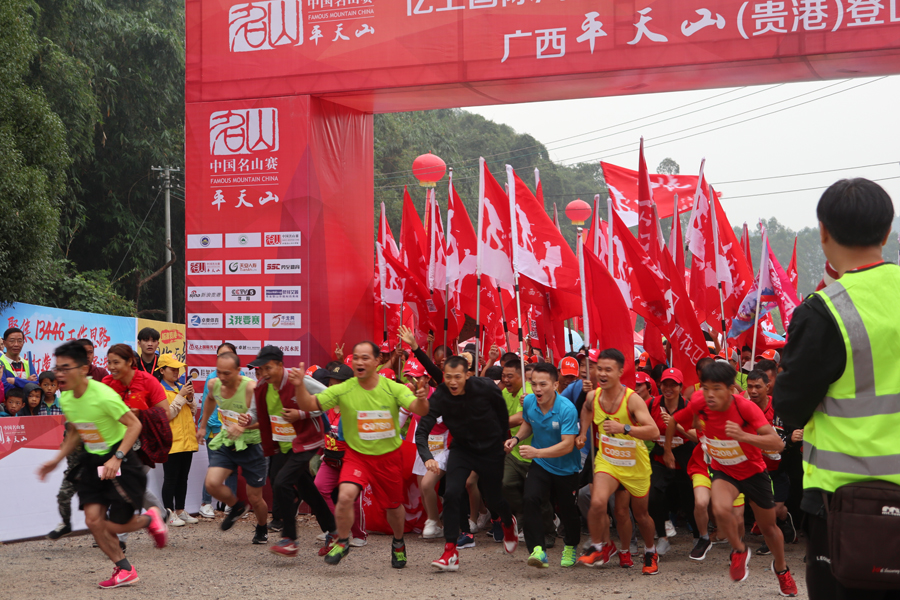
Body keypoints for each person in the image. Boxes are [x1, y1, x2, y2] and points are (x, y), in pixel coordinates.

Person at [774, 178, 900, 600]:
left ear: (823, 231)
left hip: (846, 504)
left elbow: (790, 405)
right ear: (886, 232)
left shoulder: (824, 309)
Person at [36, 341, 167, 589]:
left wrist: (116, 456)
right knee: (93, 521)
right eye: (57, 368)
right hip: (92, 460)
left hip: (121, 458)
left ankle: (152, 518)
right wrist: (55, 460)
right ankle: (125, 569)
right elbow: (76, 431)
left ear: (84, 368)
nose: (59, 374)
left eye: (66, 368)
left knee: (115, 524)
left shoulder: (103, 395)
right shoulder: (68, 400)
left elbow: (134, 425)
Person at [292, 341, 430, 568]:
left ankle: (398, 543)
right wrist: (299, 385)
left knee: (393, 508)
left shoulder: (393, 388)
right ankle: (344, 541)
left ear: (377, 361)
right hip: (357, 456)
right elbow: (309, 404)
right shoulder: (344, 389)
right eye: (356, 357)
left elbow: (419, 409)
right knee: (345, 495)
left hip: (388, 458)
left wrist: (422, 399)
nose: (359, 362)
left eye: (365, 358)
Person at [665, 361, 797, 596]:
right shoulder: (699, 402)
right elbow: (675, 420)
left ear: (730, 388)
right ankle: (738, 550)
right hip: (724, 470)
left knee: (769, 528)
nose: (710, 394)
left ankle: (782, 569)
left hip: (753, 472)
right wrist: (667, 450)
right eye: (705, 388)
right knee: (720, 507)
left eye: (716, 388)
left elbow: (777, 443)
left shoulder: (745, 408)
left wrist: (744, 436)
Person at [415, 355, 518, 572]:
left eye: (458, 377)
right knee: (452, 493)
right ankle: (450, 551)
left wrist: (500, 440)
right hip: (462, 449)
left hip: (490, 449)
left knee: (493, 498)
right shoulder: (441, 396)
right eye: (448, 377)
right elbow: (423, 429)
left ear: (468, 375)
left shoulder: (485, 388)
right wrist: (428, 458)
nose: (453, 382)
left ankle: (508, 523)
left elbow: (501, 414)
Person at [246, 345, 338, 558]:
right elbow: (254, 413)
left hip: (306, 440)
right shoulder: (262, 387)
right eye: (260, 369)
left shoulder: (299, 379)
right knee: (306, 488)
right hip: (282, 445)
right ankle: (333, 531)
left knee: (281, 482)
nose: (264, 373)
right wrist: (246, 419)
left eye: (268, 368)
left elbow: (329, 398)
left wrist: (302, 414)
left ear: (280, 365)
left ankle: (290, 538)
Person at [576, 348, 660, 574]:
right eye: (599, 369)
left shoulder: (632, 400)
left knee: (640, 515)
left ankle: (650, 551)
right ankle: (598, 547)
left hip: (634, 463)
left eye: (608, 370)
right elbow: (586, 409)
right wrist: (583, 433)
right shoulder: (593, 396)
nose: (602, 374)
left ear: (621, 372)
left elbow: (653, 431)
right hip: (608, 460)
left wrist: (624, 428)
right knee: (596, 501)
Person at [506, 363, 581, 569]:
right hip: (541, 464)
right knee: (530, 499)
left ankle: (571, 545)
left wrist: (536, 452)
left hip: (566, 468)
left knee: (568, 511)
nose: (537, 389)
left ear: (555, 384)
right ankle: (537, 549)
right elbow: (528, 423)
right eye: (533, 384)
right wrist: (516, 438)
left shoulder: (567, 409)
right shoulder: (530, 401)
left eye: (543, 384)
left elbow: (567, 445)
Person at [196, 352, 269, 544]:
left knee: (255, 498)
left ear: (239, 371)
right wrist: (203, 426)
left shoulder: (251, 388)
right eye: (219, 372)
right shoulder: (214, 384)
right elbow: (210, 399)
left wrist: (244, 425)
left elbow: (267, 420)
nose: (222, 377)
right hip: (228, 441)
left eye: (227, 373)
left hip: (252, 445)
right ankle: (236, 507)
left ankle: (262, 528)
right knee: (212, 483)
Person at [313, 361, 368, 547]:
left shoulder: (354, 408)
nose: (333, 388)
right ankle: (334, 529)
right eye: (330, 384)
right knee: (319, 489)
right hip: (329, 459)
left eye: (338, 384)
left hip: (350, 460)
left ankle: (359, 534)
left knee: (351, 498)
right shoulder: (324, 406)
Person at [744, 370, 795, 555]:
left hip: (780, 469)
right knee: (763, 510)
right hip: (756, 469)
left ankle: (784, 520)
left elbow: (794, 431)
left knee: (777, 509)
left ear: (768, 387)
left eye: (758, 386)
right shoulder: (744, 408)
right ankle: (770, 538)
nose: (753, 391)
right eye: (750, 386)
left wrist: (790, 439)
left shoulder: (780, 407)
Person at [647, 368, 697, 556]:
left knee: (689, 501)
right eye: (665, 384)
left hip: (685, 457)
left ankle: (699, 537)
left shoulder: (689, 406)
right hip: (660, 456)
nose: (668, 388)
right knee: (652, 495)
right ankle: (662, 537)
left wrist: (677, 425)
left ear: (680, 387)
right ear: (660, 385)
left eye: (673, 385)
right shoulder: (652, 404)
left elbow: (698, 436)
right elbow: (640, 421)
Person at [198, 344, 240, 519]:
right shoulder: (212, 379)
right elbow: (209, 407)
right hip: (215, 430)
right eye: (220, 356)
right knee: (214, 467)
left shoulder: (244, 379)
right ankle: (205, 504)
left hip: (236, 431)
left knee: (232, 469)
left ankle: (231, 505)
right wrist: (204, 427)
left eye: (227, 355)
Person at [157, 354, 199, 527]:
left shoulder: (182, 386)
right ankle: (168, 512)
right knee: (170, 478)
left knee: (183, 478)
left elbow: (194, 411)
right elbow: (168, 415)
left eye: (178, 368)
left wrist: (189, 399)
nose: (176, 372)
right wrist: (182, 396)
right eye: (172, 368)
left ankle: (180, 510)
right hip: (172, 441)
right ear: (162, 370)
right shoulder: (159, 389)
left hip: (187, 440)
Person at [2, 327, 36, 393]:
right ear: (4, 343)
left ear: (23, 342)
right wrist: (27, 382)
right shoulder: (1, 363)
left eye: (20, 341)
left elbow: (35, 384)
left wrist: (15, 381)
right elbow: (4, 387)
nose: (16, 344)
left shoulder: (28, 364)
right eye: (12, 341)